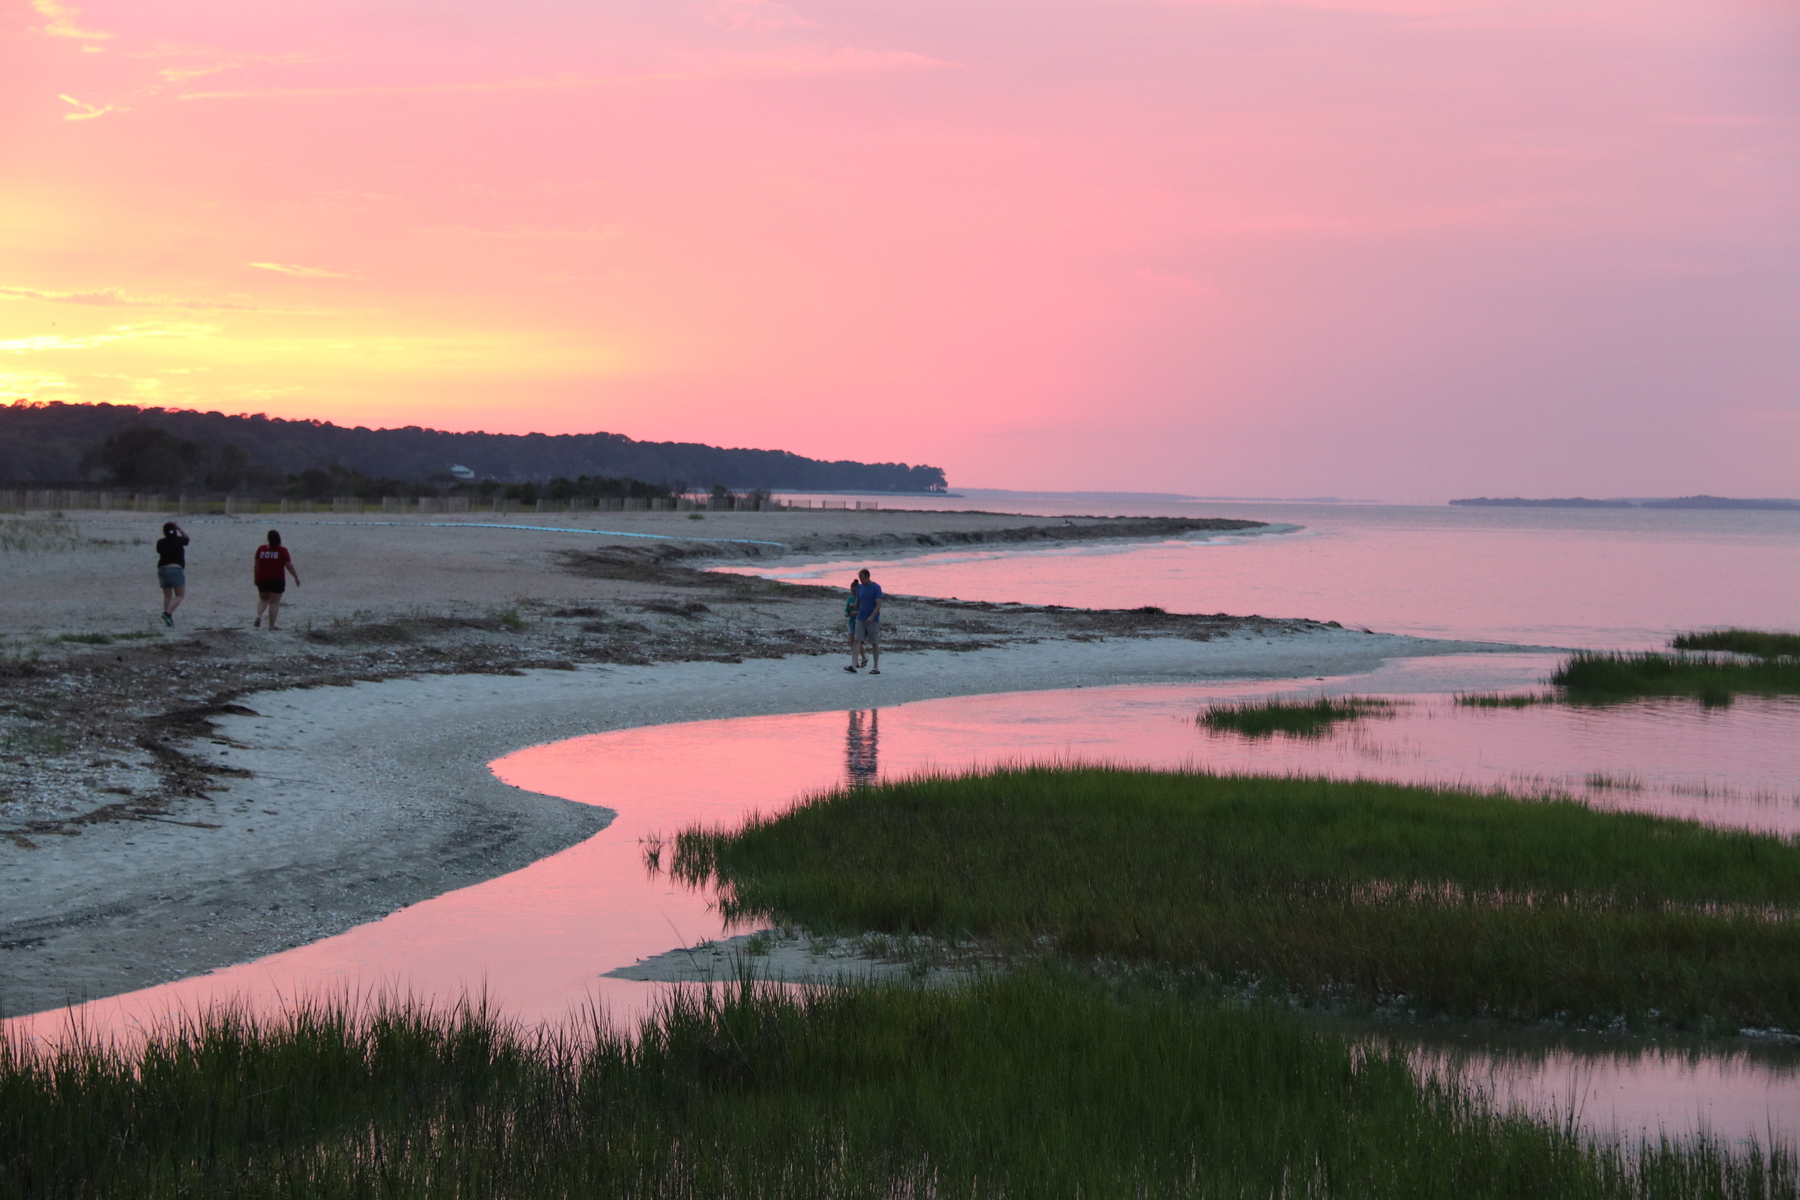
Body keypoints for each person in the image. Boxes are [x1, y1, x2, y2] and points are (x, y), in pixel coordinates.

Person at [253, 530, 300, 630]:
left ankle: (259, 616)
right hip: (277, 579)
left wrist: (255, 577)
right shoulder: (282, 551)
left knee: (263, 599)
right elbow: (289, 566)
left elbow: (256, 565)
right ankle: (271, 625)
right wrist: (295, 577)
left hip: (262, 579)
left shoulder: (261, 549)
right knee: (274, 603)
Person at [155, 521, 189, 627]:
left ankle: (168, 619)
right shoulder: (179, 540)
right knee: (179, 594)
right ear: (174, 531)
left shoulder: (160, 542)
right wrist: (179, 529)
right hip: (175, 569)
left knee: (167, 595)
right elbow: (187, 538)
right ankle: (167, 614)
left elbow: (158, 551)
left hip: (162, 569)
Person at [854, 567, 883, 675]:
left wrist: (871, 616)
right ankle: (853, 665)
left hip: (872, 620)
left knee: (874, 642)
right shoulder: (860, 588)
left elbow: (879, 604)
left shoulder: (876, 587)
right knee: (857, 640)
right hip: (860, 618)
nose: (860, 580)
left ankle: (875, 667)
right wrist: (854, 606)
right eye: (859, 578)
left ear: (867, 576)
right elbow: (858, 601)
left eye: (861, 577)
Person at [843, 578, 865, 672]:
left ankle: (863, 657)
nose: (853, 592)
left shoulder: (861, 598)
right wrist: (847, 613)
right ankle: (855, 661)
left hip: (859, 623)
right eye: (851, 591)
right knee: (852, 642)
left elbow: (864, 610)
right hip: (851, 622)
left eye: (854, 591)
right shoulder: (850, 598)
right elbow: (846, 609)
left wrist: (855, 612)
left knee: (857, 642)